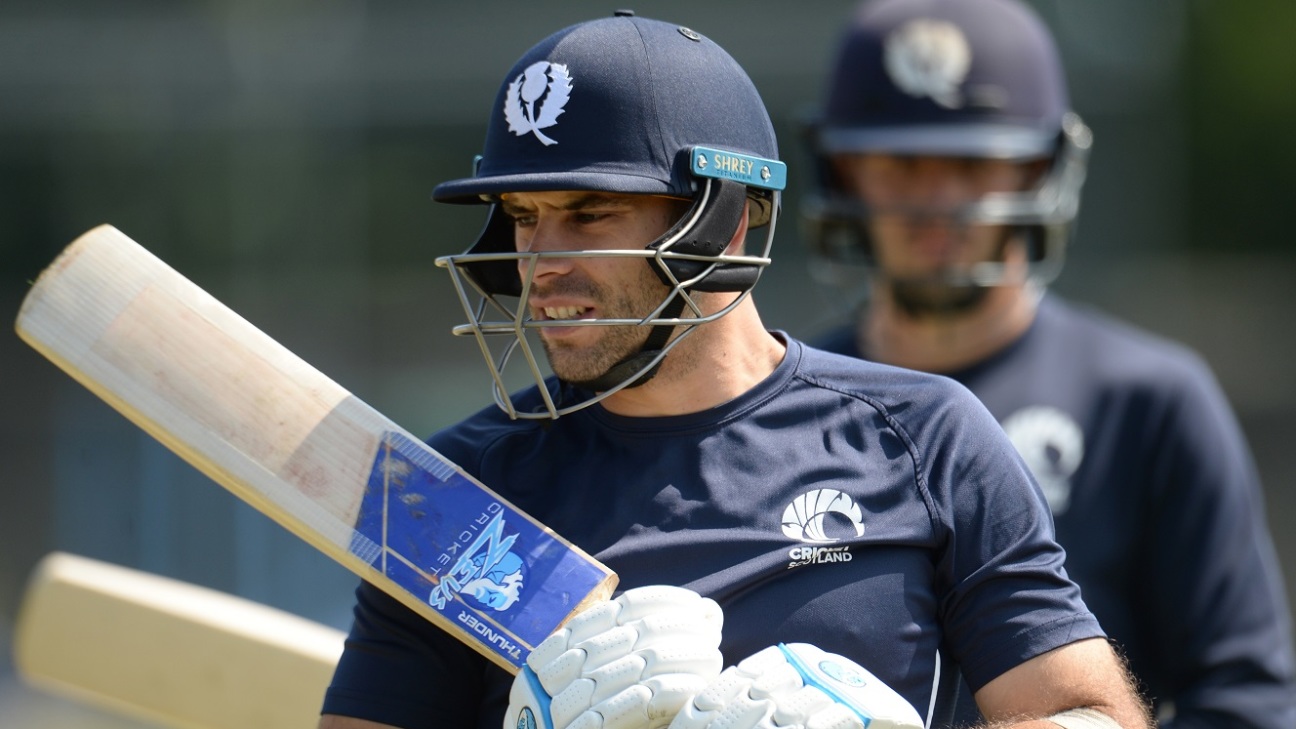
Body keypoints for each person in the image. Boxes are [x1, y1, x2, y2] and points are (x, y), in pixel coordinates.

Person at [319, 10, 1151, 729]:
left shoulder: (925, 437)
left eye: (588, 214)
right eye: (524, 217)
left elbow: (1098, 714)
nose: (540, 262)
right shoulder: (446, 494)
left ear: (726, 221)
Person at [798, 0, 1296, 727]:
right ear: (844, 173)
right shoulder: (790, 401)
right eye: (901, 162)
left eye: (973, 163)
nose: (937, 201)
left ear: (1041, 167)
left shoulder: (1147, 399)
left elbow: (1245, 701)